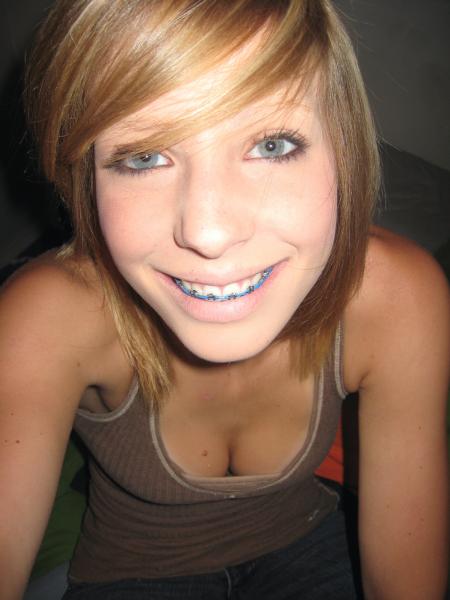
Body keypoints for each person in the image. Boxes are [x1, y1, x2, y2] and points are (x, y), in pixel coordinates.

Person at [1, 0, 448, 598]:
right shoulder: (48, 315)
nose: (208, 234)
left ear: (343, 145)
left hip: (312, 543)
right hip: (135, 572)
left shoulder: (395, 296)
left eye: (272, 145)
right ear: (88, 178)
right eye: (144, 157)